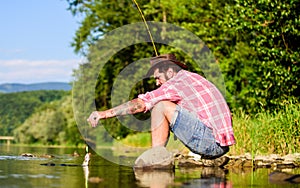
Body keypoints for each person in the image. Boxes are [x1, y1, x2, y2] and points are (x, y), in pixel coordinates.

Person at [87, 54, 235, 159]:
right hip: (221, 145)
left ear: (170, 71)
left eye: (158, 77)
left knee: (160, 106)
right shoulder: (194, 77)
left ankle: (156, 157)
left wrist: (103, 114)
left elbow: (140, 104)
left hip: (210, 144)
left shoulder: (175, 83)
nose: (157, 82)